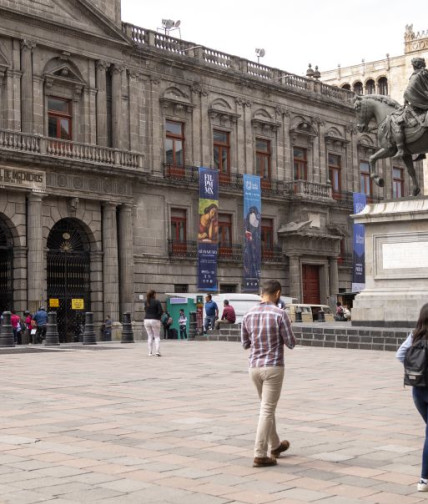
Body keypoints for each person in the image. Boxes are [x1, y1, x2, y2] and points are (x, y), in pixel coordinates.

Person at [241, 280, 296, 468]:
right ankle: (259, 453)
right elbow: (291, 342)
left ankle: (276, 445)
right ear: (278, 293)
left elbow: (245, 344)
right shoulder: (280, 314)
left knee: (267, 407)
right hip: (273, 367)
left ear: (261, 293)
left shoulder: (248, 314)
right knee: (266, 410)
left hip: (254, 367)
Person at [396, 303, 428, 492]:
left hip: (417, 390)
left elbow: (400, 355)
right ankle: (424, 479)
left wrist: (417, 369)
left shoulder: (415, 334)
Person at [392, 57, 428, 158]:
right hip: (424, 102)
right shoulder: (425, 73)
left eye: (413, 64)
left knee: (398, 121)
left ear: (416, 65)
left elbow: (409, 90)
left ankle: (400, 150)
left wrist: (406, 99)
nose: (412, 66)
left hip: (419, 103)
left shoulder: (416, 75)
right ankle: (421, 151)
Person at [144, 290, 163, 356]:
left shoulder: (146, 302)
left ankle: (150, 352)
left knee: (150, 336)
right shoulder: (157, 301)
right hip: (155, 319)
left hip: (146, 320)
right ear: (154, 294)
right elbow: (160, 311)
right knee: (156, 336)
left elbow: (145, 310)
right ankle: (157, 352)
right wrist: (158, 317)